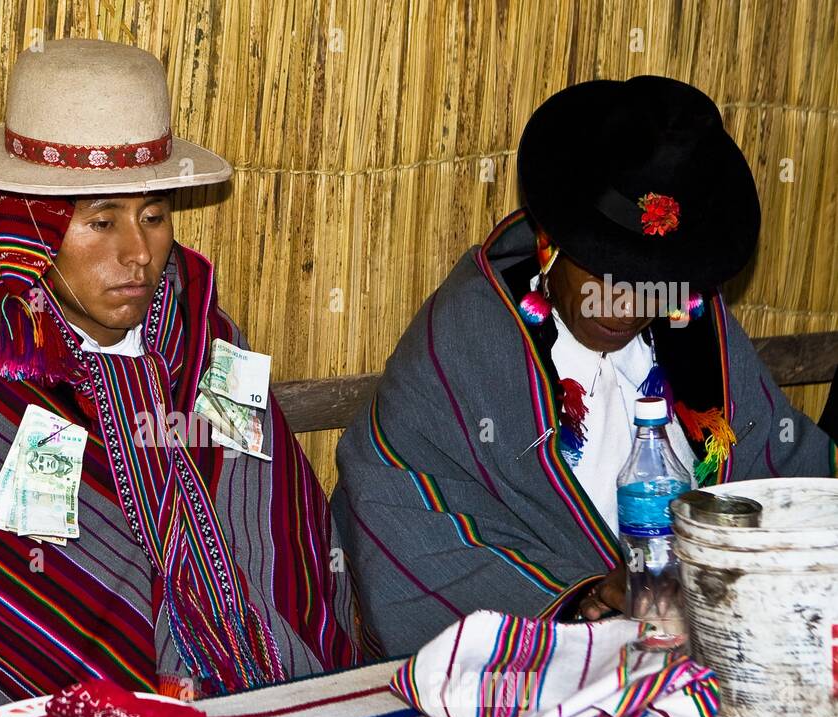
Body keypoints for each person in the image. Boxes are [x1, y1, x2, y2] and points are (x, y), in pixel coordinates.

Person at [0, 39, 361, 707]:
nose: (138, 252)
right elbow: (8, 593)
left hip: (265, 699)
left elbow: (275, 530)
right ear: (31, 232)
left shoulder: (209, 345)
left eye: (153, 217)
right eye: (101, 221)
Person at [332, 76, 838, 657]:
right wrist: (584, 597)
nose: (625, 307)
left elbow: (784, 474)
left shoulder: (693, 323)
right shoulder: (470, 340)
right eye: (605, 271)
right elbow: (401, 511)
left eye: (653, 283)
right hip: (535, 665)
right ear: (552, 242)